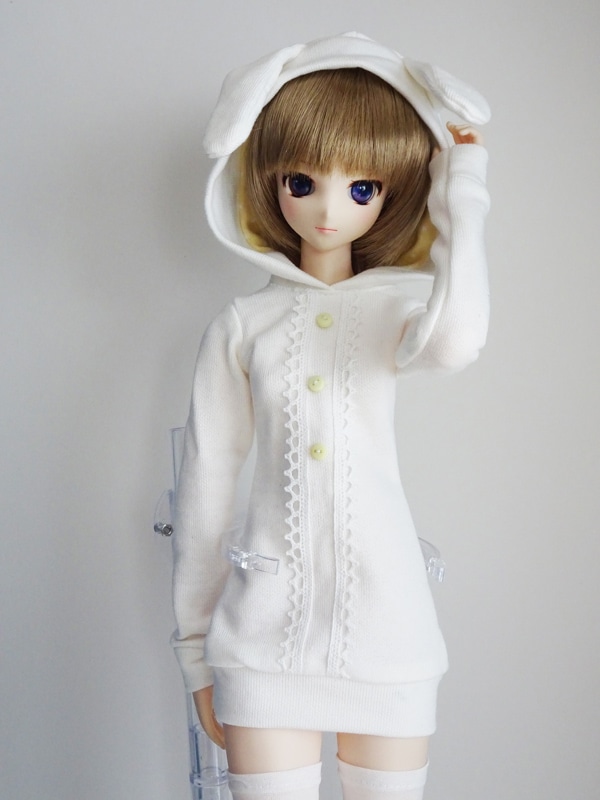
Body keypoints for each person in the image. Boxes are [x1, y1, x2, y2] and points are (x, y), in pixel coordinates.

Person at [171, 32, 490, 800]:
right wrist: (194, 652)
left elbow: (460, 339)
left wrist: (465, 189)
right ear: (267, 181)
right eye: (302, 181)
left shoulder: (397, 311)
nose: (325, 208)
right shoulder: (243, 325)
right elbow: (206, 488)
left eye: (361, 188)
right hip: (259, 640)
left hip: (390, 639)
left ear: (391, 194)